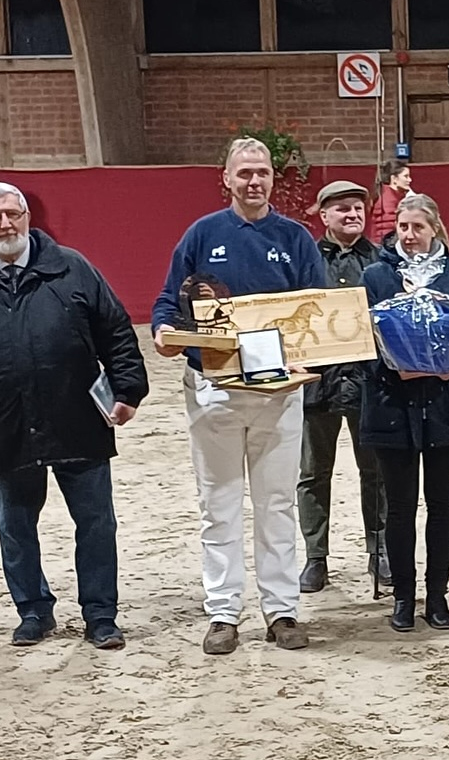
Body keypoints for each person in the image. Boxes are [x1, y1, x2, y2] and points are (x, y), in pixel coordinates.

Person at [150, 137, 328, 655]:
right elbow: (168, 301)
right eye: (244, 173)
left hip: (279, 393)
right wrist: (164, 332)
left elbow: (314, 311)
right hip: (214, 391)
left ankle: (281, 609)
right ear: (225, 179)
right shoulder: (202, 235)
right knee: (219, 504)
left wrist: (307, 362)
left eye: (263, 173)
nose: (254, 182)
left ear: (274, 179)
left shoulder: (295, 239)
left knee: (276, 504)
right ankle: (224, 610)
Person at [0, 181, 148, 649]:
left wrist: (129, 389)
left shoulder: (73, 269)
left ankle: (100, 614)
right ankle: (34, 611)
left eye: (13, 214)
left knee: (96, 522)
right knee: (15, 527)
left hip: (77, 419)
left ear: (27, 216)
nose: (6, 224)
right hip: (6, 426)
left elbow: (116, 331)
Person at [360, 192, 449, 632]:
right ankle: (402, 596)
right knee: (398, 509)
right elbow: (359, 340)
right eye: (403, 228)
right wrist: (394, 366)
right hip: (391, 406)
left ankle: (437, 596)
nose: (410, 235)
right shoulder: (376, 276)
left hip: (445, 406)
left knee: (442, 506)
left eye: (418, 227)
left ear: (435, 228)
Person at [296, 180, 389, 594]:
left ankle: (380, 550)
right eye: (342, 209)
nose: (352, 215)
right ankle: (316, 557)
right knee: (314, 472)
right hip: (317, 382)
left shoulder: (382, 261)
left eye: (357, 208)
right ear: (323, 215)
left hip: (369, 383)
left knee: (378, 472)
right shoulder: (305, 261)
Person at [369, 160, 412, 246]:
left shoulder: (386, 195)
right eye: (406, 176)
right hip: (386, 246)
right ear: (394, 179)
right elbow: (387, 228)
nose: (409, 180)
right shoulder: (388, 199)